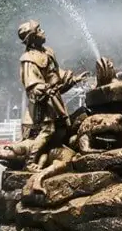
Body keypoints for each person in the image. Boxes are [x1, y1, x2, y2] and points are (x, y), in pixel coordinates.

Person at [17, 20, 88, 172]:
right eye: (39, 30)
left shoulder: (48, 52)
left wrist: (73, 78)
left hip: (54, 102)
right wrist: (44, 89)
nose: (43, 31)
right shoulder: (28, 59)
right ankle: (30, 162)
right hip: (42, 106)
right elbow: (32, 84)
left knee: (60, 132)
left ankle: (46, 161)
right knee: (48, 131)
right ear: (32, 37)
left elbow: (56, 73)